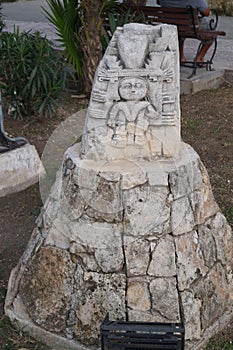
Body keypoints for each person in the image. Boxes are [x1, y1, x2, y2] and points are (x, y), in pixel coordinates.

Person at [158, 0, 213, 65]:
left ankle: (181, 57)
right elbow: (206, 13)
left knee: (180, 28)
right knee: (211, 31)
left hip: (171, 26)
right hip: (189, 27)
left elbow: (159, 2)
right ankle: (199, 58)